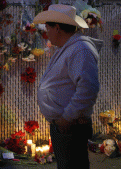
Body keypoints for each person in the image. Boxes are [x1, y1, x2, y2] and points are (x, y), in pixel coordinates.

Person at [33, 4, 103, 169]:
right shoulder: (66, 48)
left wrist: (67, 118)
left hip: (70, 126)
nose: (46, 33)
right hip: (64, 125)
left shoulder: (80, 49)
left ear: (57, 28)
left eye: (47, 28)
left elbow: (88, 88)